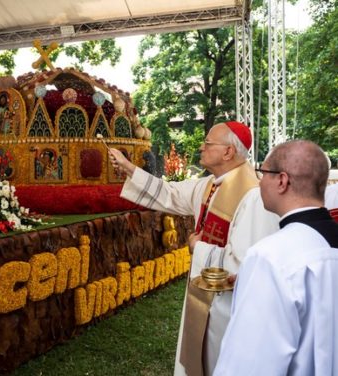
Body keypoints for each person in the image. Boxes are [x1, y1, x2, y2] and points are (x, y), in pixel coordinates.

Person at [109, 121, 279, 376]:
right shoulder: (210, 184)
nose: (201, 147)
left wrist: (198, 249)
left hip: (227, 307)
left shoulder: (252, 196)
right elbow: (170, 193)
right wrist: (129, 168)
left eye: (208, 143)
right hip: (205, 296)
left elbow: (247, 265)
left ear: (228, 152)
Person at [215, 140, 338, 375]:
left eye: (263, 173)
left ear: (282, 181)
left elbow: (249, 365)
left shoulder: (270, 258)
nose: (260, 182)